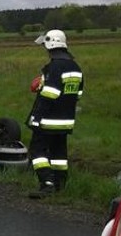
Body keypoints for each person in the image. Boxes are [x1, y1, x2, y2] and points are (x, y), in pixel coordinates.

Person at [26, 29, 84, 198]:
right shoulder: (75, 67)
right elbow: (78, 94)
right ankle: (60, 184)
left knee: (37, 151)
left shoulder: (54, 67)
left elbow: (49, 95)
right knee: (59, 154)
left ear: (51, 45)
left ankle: (46, 183)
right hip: (65, 120)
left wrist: (36, 117)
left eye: (45, 46)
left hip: (48, 119)